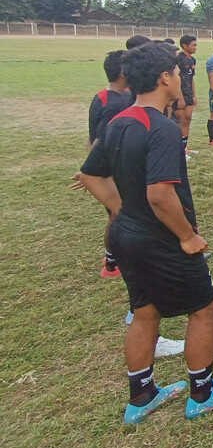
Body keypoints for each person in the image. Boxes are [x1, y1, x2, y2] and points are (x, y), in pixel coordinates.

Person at [77, 42, 213, 424]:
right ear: (164, 78)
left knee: (144, 311)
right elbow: (160, 194)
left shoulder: (118, 121)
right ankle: (202, 392)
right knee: (204, 308)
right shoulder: (162, 129)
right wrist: (187, 236)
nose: (178, 77)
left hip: (126, 234)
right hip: (161, 238)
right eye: (174, 70)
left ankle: (142, 395)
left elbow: (90, 175)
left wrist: (124, 211)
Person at [87, 50, 134, 278]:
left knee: (123, 213)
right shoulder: (112, 103)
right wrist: (93, 170)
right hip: (113, 169)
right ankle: (111, 261)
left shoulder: (113, 96)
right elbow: (98, 139)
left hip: (119, 166)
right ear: (124, 72)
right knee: (119, 213)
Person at [172, 35, 198, 154]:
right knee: (181, 121)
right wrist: (180, 97)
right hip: (180, 95)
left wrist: (194, 95)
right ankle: (179, 150)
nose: (195, 47)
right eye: (193, 45)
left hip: (189, 94)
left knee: (188, 119)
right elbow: (176, 79)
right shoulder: (178, 59)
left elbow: (191, 78)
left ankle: (185, 148)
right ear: (184, 46)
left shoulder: (192, 60)